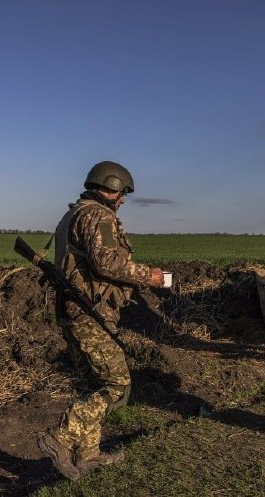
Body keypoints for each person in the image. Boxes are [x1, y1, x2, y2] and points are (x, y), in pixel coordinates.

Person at [37, 161, 165, 480]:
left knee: (93, 384)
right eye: (122, 193)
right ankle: (59, 439)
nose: (122, 200)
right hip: (89, 312)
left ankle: (89, 456)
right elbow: (106, 263)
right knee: (116, 384)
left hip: (75, 310)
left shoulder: (73, 214)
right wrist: (148, 275)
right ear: (110, 187)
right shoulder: (99, 215)